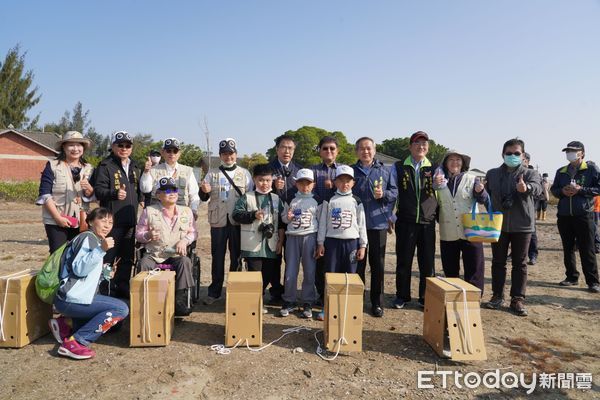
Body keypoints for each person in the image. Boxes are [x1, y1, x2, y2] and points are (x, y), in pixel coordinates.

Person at [49, 207, 129, 360]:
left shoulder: (93, 239)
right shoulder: (88, 238)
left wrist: (105, 274)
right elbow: (79, 269)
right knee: (121, 309)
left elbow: (84, 273)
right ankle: (76, 342)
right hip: (72, 298)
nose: (107, 225)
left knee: (115, 324)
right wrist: (101, 250)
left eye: (110, 222)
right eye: (103, 220)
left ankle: (66, 323)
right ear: (91, 221)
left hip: (73, 297)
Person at [485, 138, 542, 316]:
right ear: (503, 154)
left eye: (516, 153)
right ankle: (497, 296)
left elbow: (538, 189)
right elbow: (485, 196)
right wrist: (479, 191)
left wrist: (526, 188)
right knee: (498, 262)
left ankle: (517, 298)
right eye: (509, 153)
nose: (512, 156)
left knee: (520, 263)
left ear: (523, 155)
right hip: (498, 224)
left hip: (522, 225)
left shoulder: (530, 173)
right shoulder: (492, 173)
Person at [199, 138, 253, 304]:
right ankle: (214, 291)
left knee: (236, 256)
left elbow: (250, 197)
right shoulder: (212, 173)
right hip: (218, 221)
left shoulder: (244, 173)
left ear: (236, 154)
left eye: (231, 153)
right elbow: (204, 197)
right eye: (224, 154)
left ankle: (234, 289)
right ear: (220, 155)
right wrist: (205, 191)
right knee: (217, 256)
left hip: (237, 221)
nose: (228, 157)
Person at [90, 131, 142, 298]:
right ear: (113, 147)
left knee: (127, 256)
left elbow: (139, 190)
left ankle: (123, 285)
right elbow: (98, 190)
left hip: (130, 219)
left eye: (127, 145)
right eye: (120, 145)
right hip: (112, 221)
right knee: (108, 256)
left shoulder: (135, 166)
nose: (124, 148)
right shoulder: (105, 166)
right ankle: (105, 286)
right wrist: (113, 193)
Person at [135, 177, 197, 316]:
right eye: (167, 190)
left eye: (174, 190)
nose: (172, 193)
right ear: (158, 195)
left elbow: (193, 233)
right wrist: (148, 235)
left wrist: (185, 241)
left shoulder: (186, 211)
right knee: (143, 263)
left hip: (176, 254)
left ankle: (178, 300)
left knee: (185, 262)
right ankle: (146, 301)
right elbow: (138, 234)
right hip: (155, 254)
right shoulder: (149, 211)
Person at [352, 137, 397, 317]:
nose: (365, 152)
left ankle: (377, 303)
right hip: (356, 225)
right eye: (361, 149)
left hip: (378, 224)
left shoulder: (385, 171)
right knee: (358, 264)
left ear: (374, 150)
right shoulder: (351, 171)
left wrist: (383, 194)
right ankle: (357, 299)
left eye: (369, 148)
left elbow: (394, 193)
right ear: (356, 151)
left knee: (377, 265)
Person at [392, 131, 438, 309]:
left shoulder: (434, 167)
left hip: (427, 222)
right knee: (404, 260)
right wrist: (391, 214)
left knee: (427, 262)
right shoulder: (398, 166)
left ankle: (425, 297)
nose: (421, 146)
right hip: (405, 221)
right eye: (417, 143)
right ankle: (402, 295)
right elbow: (393, 191)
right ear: (410, 146)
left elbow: (440, 193)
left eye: (424, 143)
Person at [232, 164, 285, 313]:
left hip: (271, 245)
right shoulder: (246, 197)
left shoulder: (276, 199)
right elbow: (236, 215)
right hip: (252, 245)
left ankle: (258, 297)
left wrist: (280, 241)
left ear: (272, 181)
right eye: (261, 180)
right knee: (254, 275)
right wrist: (252, 215)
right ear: (254, 179)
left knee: (267, 275)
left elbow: (281, 222)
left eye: (268, 180)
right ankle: (254, 302)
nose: (264, 183)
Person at [434, 151, 489, 293]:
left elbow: (483, 198)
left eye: (458, 160)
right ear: (445, 163)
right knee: (450, 269)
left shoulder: (472, 178)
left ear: (463, 163)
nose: (454, 162)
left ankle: (474, 298)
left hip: (471, 230)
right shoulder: (438, 181)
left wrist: (481, 190)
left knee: (474, 268)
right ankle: (453, 297)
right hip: (448, 231)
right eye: (451, 159)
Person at [550, 141, 600, 293]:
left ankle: (593, 281)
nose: (569, 153)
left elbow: (598, 188)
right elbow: (554, 189)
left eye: (573, 150)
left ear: (581, 153)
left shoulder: (591, 169)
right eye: (567, 151)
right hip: (564, 215)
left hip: (584, 215)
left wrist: (581, 190)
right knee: (568, 248)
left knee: (587, 248)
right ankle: (571, 277)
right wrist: (562, 192)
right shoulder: (561, 171)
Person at [37, 131, 95, 253]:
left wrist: (90, 189)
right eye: (71, 145)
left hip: (81, 220)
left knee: (78, 255)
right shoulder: (52, 166)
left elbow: (93, 197)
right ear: (64, 147)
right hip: (56, 220)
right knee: (58, 255)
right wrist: (58, 218)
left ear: (83, 148)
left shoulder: (89, 169)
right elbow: (44, 194)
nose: (75, 149)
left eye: (79, 145)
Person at [279, 169, 322, 319]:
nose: (305, 186)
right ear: (296, 183)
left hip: (310, 237)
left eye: (308, 183)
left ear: (313, 185)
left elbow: (321, 222)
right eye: (301, 183)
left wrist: (319, 242)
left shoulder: (317, 200)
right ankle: (289, 300)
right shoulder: (290, 198)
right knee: (290, 271)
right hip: (292, 238)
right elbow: (284, 218)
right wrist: (288, 217)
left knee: (310, 271)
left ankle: (307, 301)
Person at [267, 135, 302, 302]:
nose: (287, 151)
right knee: (275, 256)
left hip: (294, 220)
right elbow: (259, 190)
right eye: (283, 147)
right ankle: (275, 290)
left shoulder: (299, 171)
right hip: (273, 220)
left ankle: (290, 291)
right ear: (277, 149)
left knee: (292, 257)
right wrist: (274, 188)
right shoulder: (268, 169)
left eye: (290, 148)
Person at [316, 165, 367, 274]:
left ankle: (348, 292)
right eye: (341, 181)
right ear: (335, 182)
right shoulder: (329, 200)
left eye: (348, 181)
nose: (345, 184)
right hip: (332, 242)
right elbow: (323, 223)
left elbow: (362, 225)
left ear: (353, 182)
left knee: (350, 273)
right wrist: (320, 243)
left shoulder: (357, 201)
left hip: (351, 242)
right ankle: (330, 292)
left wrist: (363, 246)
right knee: (331, 272)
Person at [310, 136, 341, 305]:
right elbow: (309, 193)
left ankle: (335, 292)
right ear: (320, 151)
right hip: (318, 218)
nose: (328, 151)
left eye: (332, 148)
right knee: (319, 257)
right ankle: (321, 293)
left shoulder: (343, 170)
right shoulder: (313, 171)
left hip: (338, 221)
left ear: (337, 151)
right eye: (325, 148)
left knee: (335, 258)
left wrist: (334, 187)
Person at [140, 138, 200, 218]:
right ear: (162, 152)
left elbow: (194, 194)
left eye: (175, 151)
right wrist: (146, 172)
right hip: (158, 214)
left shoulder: (188, 171)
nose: (172, 154)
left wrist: (193, 210)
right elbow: (145, 189)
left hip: (180, 215)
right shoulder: (153, 170)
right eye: (168, 151)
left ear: (179, 153)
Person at [523, 152, 539, 265]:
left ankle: (532, 255)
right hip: (514, 209)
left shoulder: (531, 174)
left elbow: (538, 190)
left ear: (527, 161)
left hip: (529, 208)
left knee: (531, 232)